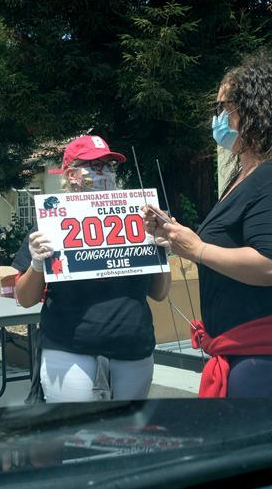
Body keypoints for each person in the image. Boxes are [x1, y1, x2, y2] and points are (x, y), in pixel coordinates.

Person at [143, 51, 272, 399]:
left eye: (225, 107)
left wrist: (198, 249)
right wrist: (176, 236)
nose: (218, 117)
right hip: (249, 354)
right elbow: (234, 245)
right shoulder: (247, 175)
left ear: (256, 110)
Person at [13, 134, 171, 402]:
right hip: (69, 350)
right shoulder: (50, 222)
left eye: (109, 166)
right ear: (71, 174)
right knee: (76, 436)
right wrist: (37, 263)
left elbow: (159, 293)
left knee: (129, 436)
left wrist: (163, 252)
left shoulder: (140, 219)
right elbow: (24, 298)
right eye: (95, 166)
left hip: (134, 346)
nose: (104, 173)